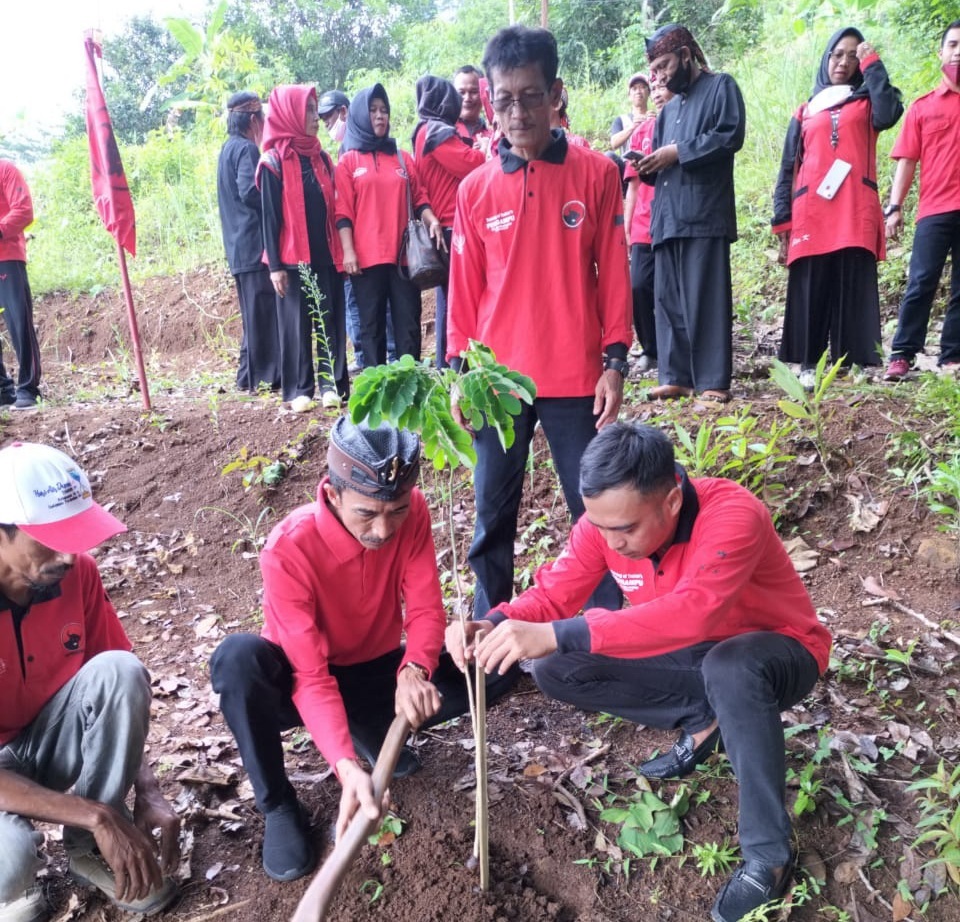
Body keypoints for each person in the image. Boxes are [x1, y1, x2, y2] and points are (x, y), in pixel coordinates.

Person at [446, 422, 831, 922]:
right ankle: (706, 720)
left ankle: (768, 856)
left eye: (625, 528)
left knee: (730, 667)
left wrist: (564, 631)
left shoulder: (731, 514)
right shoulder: (603, 527)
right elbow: (553, 593)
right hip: (692, 654)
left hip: (778, 654)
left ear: (671, 501)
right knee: (554, 665)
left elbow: (696, 614)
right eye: (600, 526)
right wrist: (494, 620)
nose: (611, 541)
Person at [210, 418, 515, 882]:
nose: (383, 528)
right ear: (332, 495)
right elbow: (310, 677)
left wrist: (415, 668)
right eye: (366, 513)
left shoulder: (411, 512)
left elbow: (426, 610)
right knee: (237, 660)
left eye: (394, 511)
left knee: (494, 664)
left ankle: (371, 723)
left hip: (379, 668)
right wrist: (345, 767)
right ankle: (277, 803)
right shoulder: (288, 549)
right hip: (301, 683)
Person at [447, 25, 632, 619]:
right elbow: (463, 292)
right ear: (488, 100)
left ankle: (611, 631)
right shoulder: (475, 191)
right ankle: (488, 632)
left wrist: (614, 362)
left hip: (577, 376)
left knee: (595, 507)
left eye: (530, 96)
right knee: (491, 511)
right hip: (497, 383)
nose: (516, 112)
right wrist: (458, 371)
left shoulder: (598, 174)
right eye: (503, 99)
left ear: (556, 93)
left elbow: (616, 276)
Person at [0, 442, 180, 920]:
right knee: (7, 867)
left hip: (47, 739)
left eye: (75, 534)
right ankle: (17, 888)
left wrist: (146, 788)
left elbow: (116, 677)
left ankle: (87, 851)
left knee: (120, 670)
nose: (68, 553)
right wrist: (97, 814)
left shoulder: (76, 573)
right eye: (51, 537)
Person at [772, 29, 902, 389]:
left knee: (851, 279)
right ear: (825, 58)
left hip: (853, 205)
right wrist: (782, 220)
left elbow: (890, 113)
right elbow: (787, 167)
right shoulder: (805, 110)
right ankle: (810, 363)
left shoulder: (868, 103)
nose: (843, 62)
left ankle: (851, 363)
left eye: (851, 56)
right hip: (811, 208)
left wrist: (872, 59)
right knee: (812, 282)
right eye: (836, 54)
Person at [636, 24, 746, 403]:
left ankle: (713, 380)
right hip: (667, 217)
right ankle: (677, 376)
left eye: (664, 65)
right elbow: (663, 161)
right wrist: (649, 165)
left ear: (685, 55)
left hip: (703, 212)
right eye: (655, 71)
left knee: (705, 297)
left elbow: (729, 135)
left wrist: (677, 153)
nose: (661, 76)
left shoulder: (721, 88)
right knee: (668, 300)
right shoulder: (668, 111)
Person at [336, 84, 443, 366]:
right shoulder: (349, 162)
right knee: (371, 330)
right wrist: (348, 252)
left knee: (408, 326)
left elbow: (420, 198)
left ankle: (410, 392)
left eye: (384, 110)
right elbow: (342, 212)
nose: (380, 116)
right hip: (366, 260)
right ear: (360, 116)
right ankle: (378, 396)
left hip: (404, 259)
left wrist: (431, 220)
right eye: (372, 111)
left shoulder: (402, 158)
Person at [257, 85, 348, 410]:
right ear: (290, 115)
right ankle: (301, 389)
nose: (315, 118)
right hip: (292, 259)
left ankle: (331, 385)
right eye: (309, 111)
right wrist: (275, 267)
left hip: (325, 252)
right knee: (296, 324)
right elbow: (269, 218)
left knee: (330, 319)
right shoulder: (273, 161)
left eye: (315, 111)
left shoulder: (321, 156)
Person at [882, 20, 960, 382]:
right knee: (922, 280)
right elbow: (907, 161)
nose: (958, 51)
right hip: (935, 209)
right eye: (953, 44)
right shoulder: (923, 107)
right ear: (941, 52)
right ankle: (902, 353)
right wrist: (894, 207)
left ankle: (952, 357)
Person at [412, 75, 486, 369]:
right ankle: (455, 365)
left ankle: (451, 364)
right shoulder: (437, 133)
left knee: (451, 299)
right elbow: (472, 163)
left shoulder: (424, 130)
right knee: (458, 300)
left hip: (446, 224)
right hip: (451, 226)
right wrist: (486, 148)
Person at [217, 91, 281, 394]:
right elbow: (248, 190)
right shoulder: (246, 150)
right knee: (262, 314)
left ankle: (247, 377)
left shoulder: (227, 149)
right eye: (263, 119)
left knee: (254, 314)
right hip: (253, 245)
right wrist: (275, 198)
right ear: (253, 120)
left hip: (237, 246)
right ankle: (264, 379)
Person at [623, 80, 670, 375]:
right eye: (654, 88)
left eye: (661, 85)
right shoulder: (642, 132)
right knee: (638, 285)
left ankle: (670, 350)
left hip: (673, 220)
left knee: (669, 290)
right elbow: (633, 186)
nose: (656, 92)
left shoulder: (683, 125)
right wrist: (626, 229)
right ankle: (650, 349)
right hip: (643, 221)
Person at [0, 161, 41, 411]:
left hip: (7, 257)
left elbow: (24, 210)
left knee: (19, 323)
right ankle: (3, 391)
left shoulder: (5, 170)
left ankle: (28, 388)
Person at [607, 72, 652, 190]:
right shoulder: (621, 120)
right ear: (629, 95)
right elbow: (614, 143)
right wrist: (632, 127)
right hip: (626, 172)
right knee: (609, 156)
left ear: (649, 92)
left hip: (649, 169)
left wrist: (654, 122)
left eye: (642, 87)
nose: (638, 91)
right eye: (634, 88)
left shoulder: (655, 117)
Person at [454, 65, 491, 141]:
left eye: (474, 92)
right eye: (461, 92)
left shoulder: (493, 134)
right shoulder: (445, 131)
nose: (467, 98)